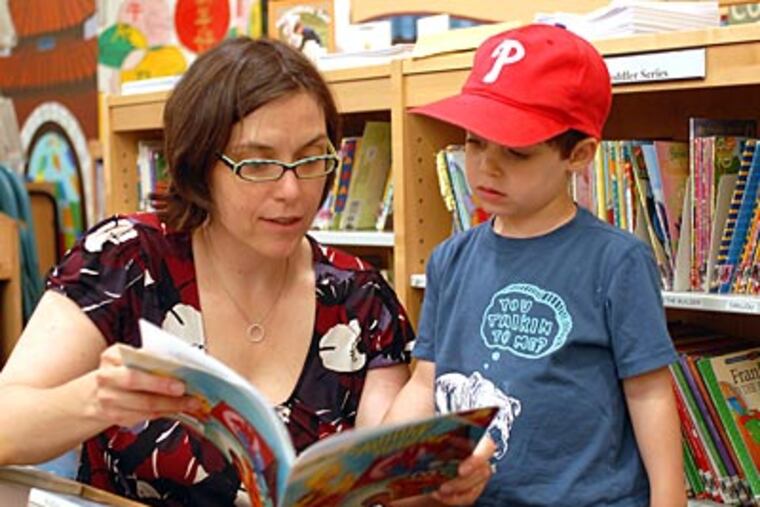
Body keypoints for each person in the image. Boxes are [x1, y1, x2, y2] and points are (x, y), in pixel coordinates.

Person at [0, 37, 492, 506]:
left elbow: (382, 482)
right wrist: (98, 400)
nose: (292, 191)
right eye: (258, 164)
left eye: (311, 159)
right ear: (199, 166)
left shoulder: (359, 299)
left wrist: (440, 483)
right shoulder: (124, 260)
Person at [384, 24, 686, 507]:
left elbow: (648, 393)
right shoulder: (451, 259)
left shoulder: (617, 261)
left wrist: (669, 500)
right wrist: (377, 469)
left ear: (580, 155)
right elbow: (426, 381)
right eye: (475, 142)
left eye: (516, 152)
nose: (486, 167)